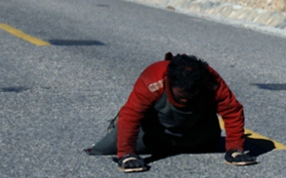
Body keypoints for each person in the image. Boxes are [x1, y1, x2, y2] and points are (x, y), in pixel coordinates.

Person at [86, 53, 257, 170]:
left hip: (195, 131)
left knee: (209, 140)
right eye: (181, 96)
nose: (185, 100)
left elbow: (232, 110)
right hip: (155, 129)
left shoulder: (209, 80)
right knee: (106, 146)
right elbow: (132, 115)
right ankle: (116, 127)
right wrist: (126, 154)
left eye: (190, 96)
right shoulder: (154, 78)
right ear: (170, 83)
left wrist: (235, 148)